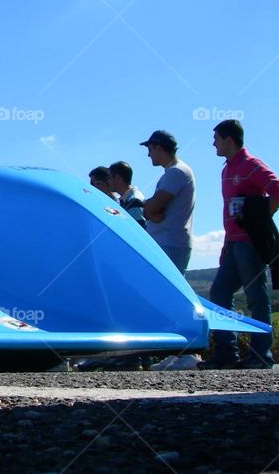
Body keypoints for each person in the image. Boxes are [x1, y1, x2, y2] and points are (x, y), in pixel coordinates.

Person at [200, 120, 279, 370]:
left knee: (255, 297)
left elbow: (276, 189)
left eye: (217, 139)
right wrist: (225, 245)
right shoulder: (227, 169)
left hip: (248, 243)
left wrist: (261, 218)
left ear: (229, 140)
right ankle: (227, 352)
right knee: (219, 293)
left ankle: (260, 356)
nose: (213, 143)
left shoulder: (250, 164)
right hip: (233, 243)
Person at [140, 130, 195, 273]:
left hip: (169, 243)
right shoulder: (173, 173)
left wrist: (148, 206)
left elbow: (154, 207)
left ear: (158, 147)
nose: (148, 154)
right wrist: (150, 208)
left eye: (150, 149)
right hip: (168, 243)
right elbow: (152, 210)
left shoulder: (177, 172)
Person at [109, 161, 147, 227]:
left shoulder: (134, 200)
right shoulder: (127, 200)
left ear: (117, 178)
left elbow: (139, 229)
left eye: (109, 178)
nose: (107, 181)